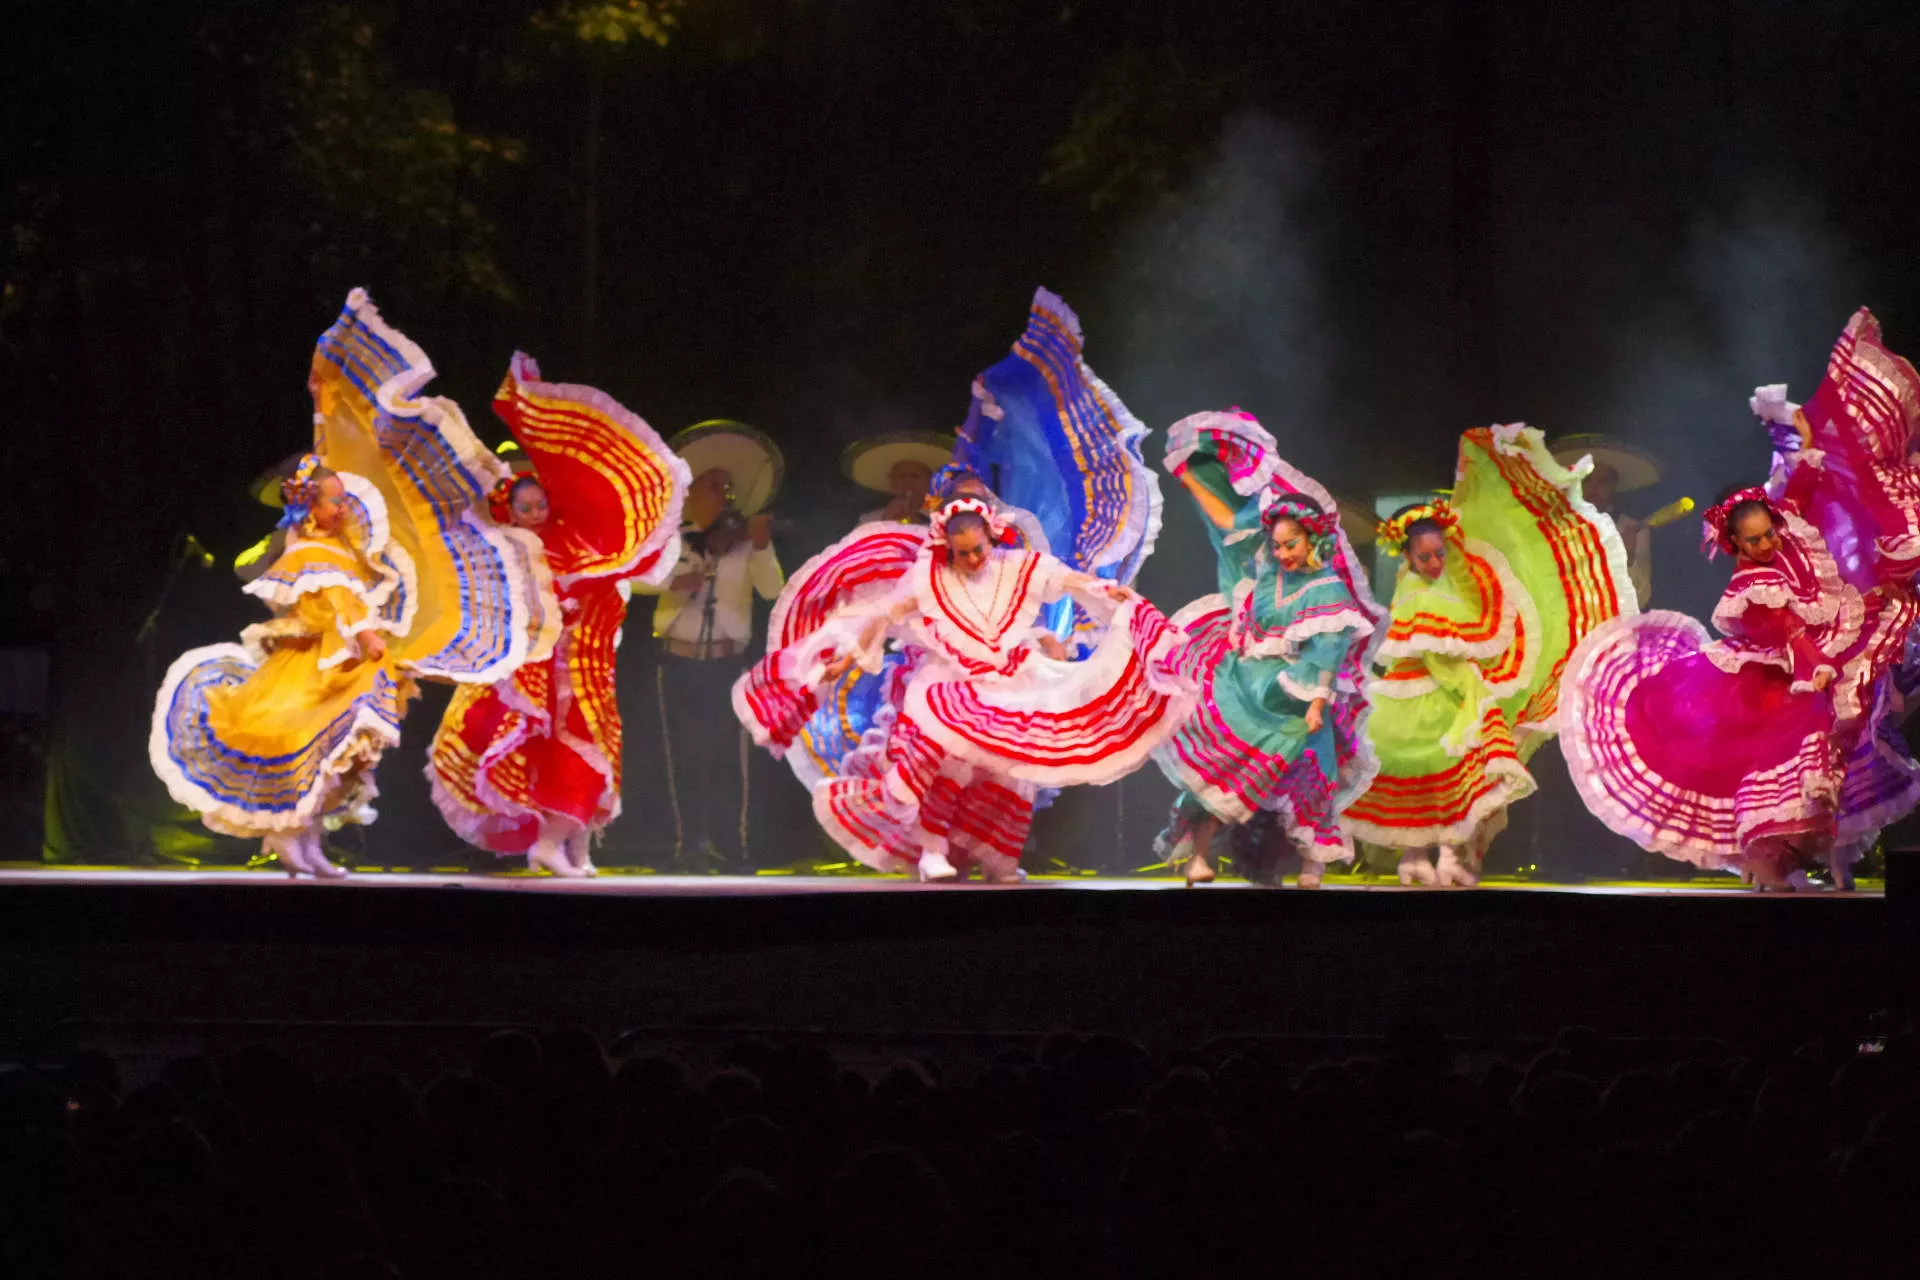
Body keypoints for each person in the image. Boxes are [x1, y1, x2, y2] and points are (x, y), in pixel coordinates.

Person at [150, 291, 555, 877]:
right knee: (313, 752)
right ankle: (293, 838)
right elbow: (334, 600)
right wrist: (366, 634)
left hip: (339, 665)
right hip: (315, 668)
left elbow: (353, 585)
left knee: (340, 758)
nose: (343, 507)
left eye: (342, 499)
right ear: (314, 506)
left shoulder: (335, 544)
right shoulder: (308, 548)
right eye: (335, 500)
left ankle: (306, 842)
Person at [1562, 310, 1920, 888]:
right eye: (1752, 540)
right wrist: (1817, 664)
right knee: (1783, 763)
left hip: (1804, 677)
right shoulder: (1749, 585)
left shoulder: (1792, 533)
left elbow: (1800, 484)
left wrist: (1789, 438)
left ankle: (1809, 860)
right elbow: (1784, 631)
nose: (1765, 543)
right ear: (1733, 544)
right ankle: (1766, 864)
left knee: (1824, 754)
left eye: (1768, 533)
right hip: (1768, 688)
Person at [735, 497, 1195, 883]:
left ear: (993, 538)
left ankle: (999, 859)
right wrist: (846, 657)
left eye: (978, 550)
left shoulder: (1018, 566)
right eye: (962, 553)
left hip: (1008, 678)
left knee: (1009, 769)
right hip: (950, 679)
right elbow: (886, 614)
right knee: (943, 757)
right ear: (946, 547)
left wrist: (1105, 591)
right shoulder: (931, 578)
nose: (973, 560)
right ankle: (932, 850)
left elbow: (1065, 579)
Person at [426, 354, 690, 877]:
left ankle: (577, 847)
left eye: (539, 501)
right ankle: (550, 843)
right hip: (551, 672)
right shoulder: (518, 550)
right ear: (511, 512)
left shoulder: (572, 538)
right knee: (571, 752)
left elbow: (624, 572)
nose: (536, 510)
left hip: (591, 665)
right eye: (525, 506)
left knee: (599, 749)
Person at [1343, 424, 1639, 887]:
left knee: (1453, 773)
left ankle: (1449, 855)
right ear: (1407, 557)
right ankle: (1412, 855)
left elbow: (1474, 598)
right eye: (1425, 558)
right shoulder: (1409, 586)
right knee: (1414, 773)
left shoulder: (1454, 573)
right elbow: (1414, 641)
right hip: (1412, 693)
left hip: (1453, 690)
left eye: (1439, 553)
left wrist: (1472, 475)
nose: (1435, 563)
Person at [1150, 410, 1385, 888]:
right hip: (1252, 685)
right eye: (1276, 545)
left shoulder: (1326, 589)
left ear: (1312, 540)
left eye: (1290, 545)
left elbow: (1328, 651)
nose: (1282, 554)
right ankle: (1201, 855)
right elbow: (1229, 531)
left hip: (1300, 697)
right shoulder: (1263, 579)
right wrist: (1193, 479)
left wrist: (1317, 702)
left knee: (1312, 769)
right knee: (1225, 758)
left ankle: (1312, 862)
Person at [648, 422, 786, 869]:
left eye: (727, 487)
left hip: (728, 663)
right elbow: (636, 578)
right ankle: (688, 845)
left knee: (728, 758)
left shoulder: (744, 542)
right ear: (691, 492)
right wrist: (676, 580)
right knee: (684, 757)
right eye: (713, 485)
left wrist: (762, 547)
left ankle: (731, 845)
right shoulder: (672, 536)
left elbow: (772, 590)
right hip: (680, 659)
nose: (723, 494)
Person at [844, 432, 955, 525]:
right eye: (900, 476)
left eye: (915, 476)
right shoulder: (869, 521)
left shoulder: (947, 518)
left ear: (930, 481)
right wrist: (886, 525)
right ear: (892, 482)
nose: (907, 481)